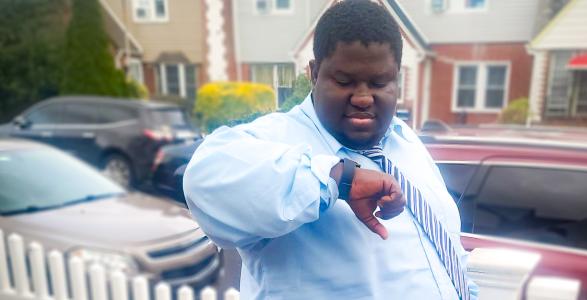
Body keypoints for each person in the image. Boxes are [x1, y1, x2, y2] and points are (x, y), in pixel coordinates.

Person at [183, 1, 478, 299]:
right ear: (314, 73)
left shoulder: (407, 143)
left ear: (397, 79)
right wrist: (339, 177)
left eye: (379, 82)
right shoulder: (276, 138)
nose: (363, 98)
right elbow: (204, 182)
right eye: (344, 81)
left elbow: (444, 251)